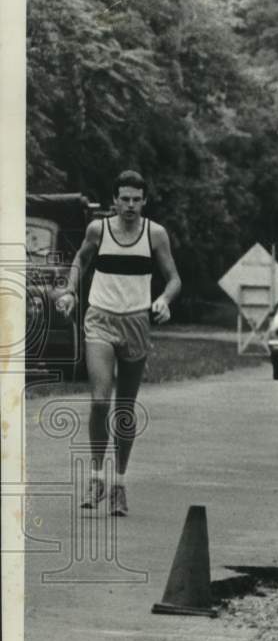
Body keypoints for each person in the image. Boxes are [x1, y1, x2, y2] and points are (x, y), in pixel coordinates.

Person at [55, 170, 181, 516]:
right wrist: (70, 290)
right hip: (100, 319)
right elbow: (81, 260)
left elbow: (173, 279)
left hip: (136, 322)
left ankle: (119, 485)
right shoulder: (99, 230)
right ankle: (96, 477)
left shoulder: (155, 234)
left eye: (136, 200)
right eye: (124, 199)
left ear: (144, 201)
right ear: (114, 200)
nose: (130, 205)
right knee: (100, 401)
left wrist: (164, 300)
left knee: (125, 409)